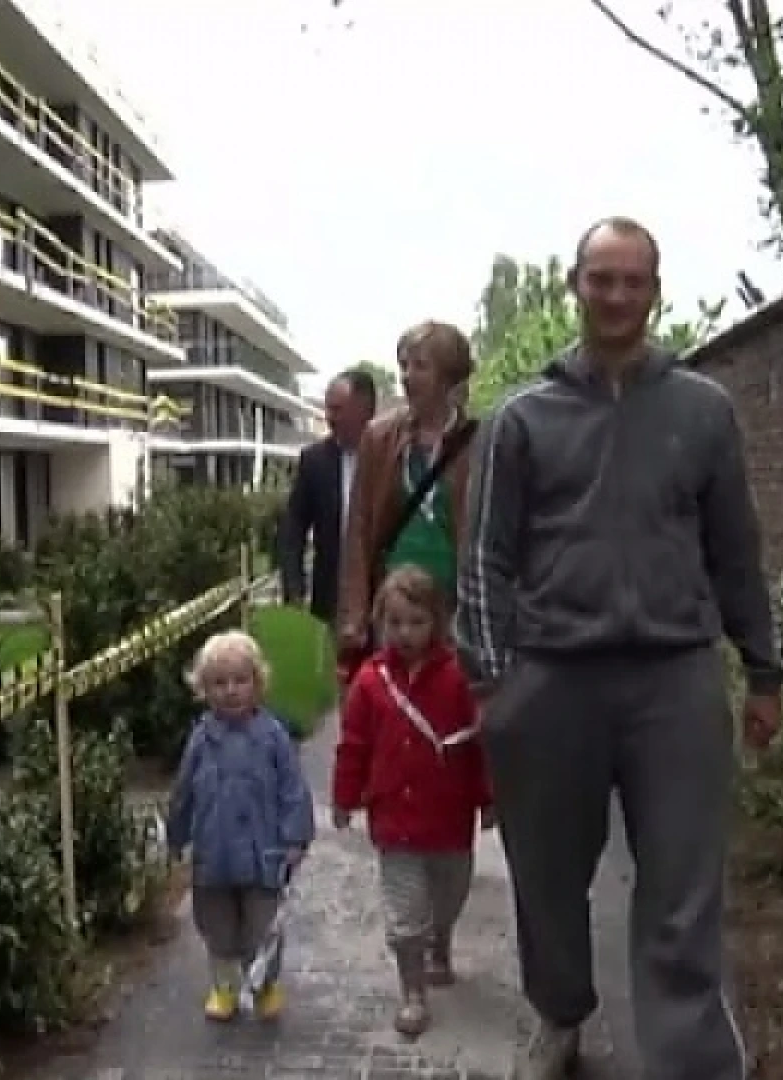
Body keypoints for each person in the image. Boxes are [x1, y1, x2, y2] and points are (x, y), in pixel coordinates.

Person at [455, 216, 783, 1080]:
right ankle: (560, 1015)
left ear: (654, 291)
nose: (616, 296)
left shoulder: (703, 410)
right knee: (549, 876)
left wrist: (763, 668)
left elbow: (736, 550)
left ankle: (689, 1057)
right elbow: (484, 557)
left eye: (633, 281)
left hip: (674, 679)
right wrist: (492, 684)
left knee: (682, 879)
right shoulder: (521, 419)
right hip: (552, 679)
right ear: (576, 286)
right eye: (601, 278)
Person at [331, 565, 492, 1038]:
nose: (404, 633)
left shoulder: (460, 677)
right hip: (394, 821)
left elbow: (479, 744)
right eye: (394, 622)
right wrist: (344, 797)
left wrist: (489, 800)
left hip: (449, 819)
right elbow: (353, 745)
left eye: (416, 622)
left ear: (438, 622)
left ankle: (440, 940)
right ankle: (412, 991)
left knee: (449, 895)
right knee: (405, 915)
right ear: (381, 622)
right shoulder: (370, 682)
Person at [165, 630, 316, 1023]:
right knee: (217, 929)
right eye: (219, 683)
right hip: (213, 858)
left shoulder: (273, 737)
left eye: (240, 681)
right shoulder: (201, 739)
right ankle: (225, 986)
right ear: (204, 689)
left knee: (263, 927)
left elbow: (292, 789)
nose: (231, 691)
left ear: (257, 683)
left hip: (262, 854)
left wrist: (295, 836)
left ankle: (265, 983)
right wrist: (176, 835)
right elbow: (183, 791)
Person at [335, 322, 477, 682]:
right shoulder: (378, 438)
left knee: (445, 708)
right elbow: (359, 530)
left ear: (448, 376)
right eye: (403, 365)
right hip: (393, 607)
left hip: (451, 608)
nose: (407, 377)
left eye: (420, 366)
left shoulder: (480, 442)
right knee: (393, 708)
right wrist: (354, 617)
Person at [279, 368, 379, 624]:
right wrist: (294, 590)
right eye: (328, 408)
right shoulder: (314, 460)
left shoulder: (392, 456)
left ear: (365, 410)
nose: (329, 418)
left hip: (384, 600)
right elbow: (293, 528)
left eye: (337, 409)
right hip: (330, 602)